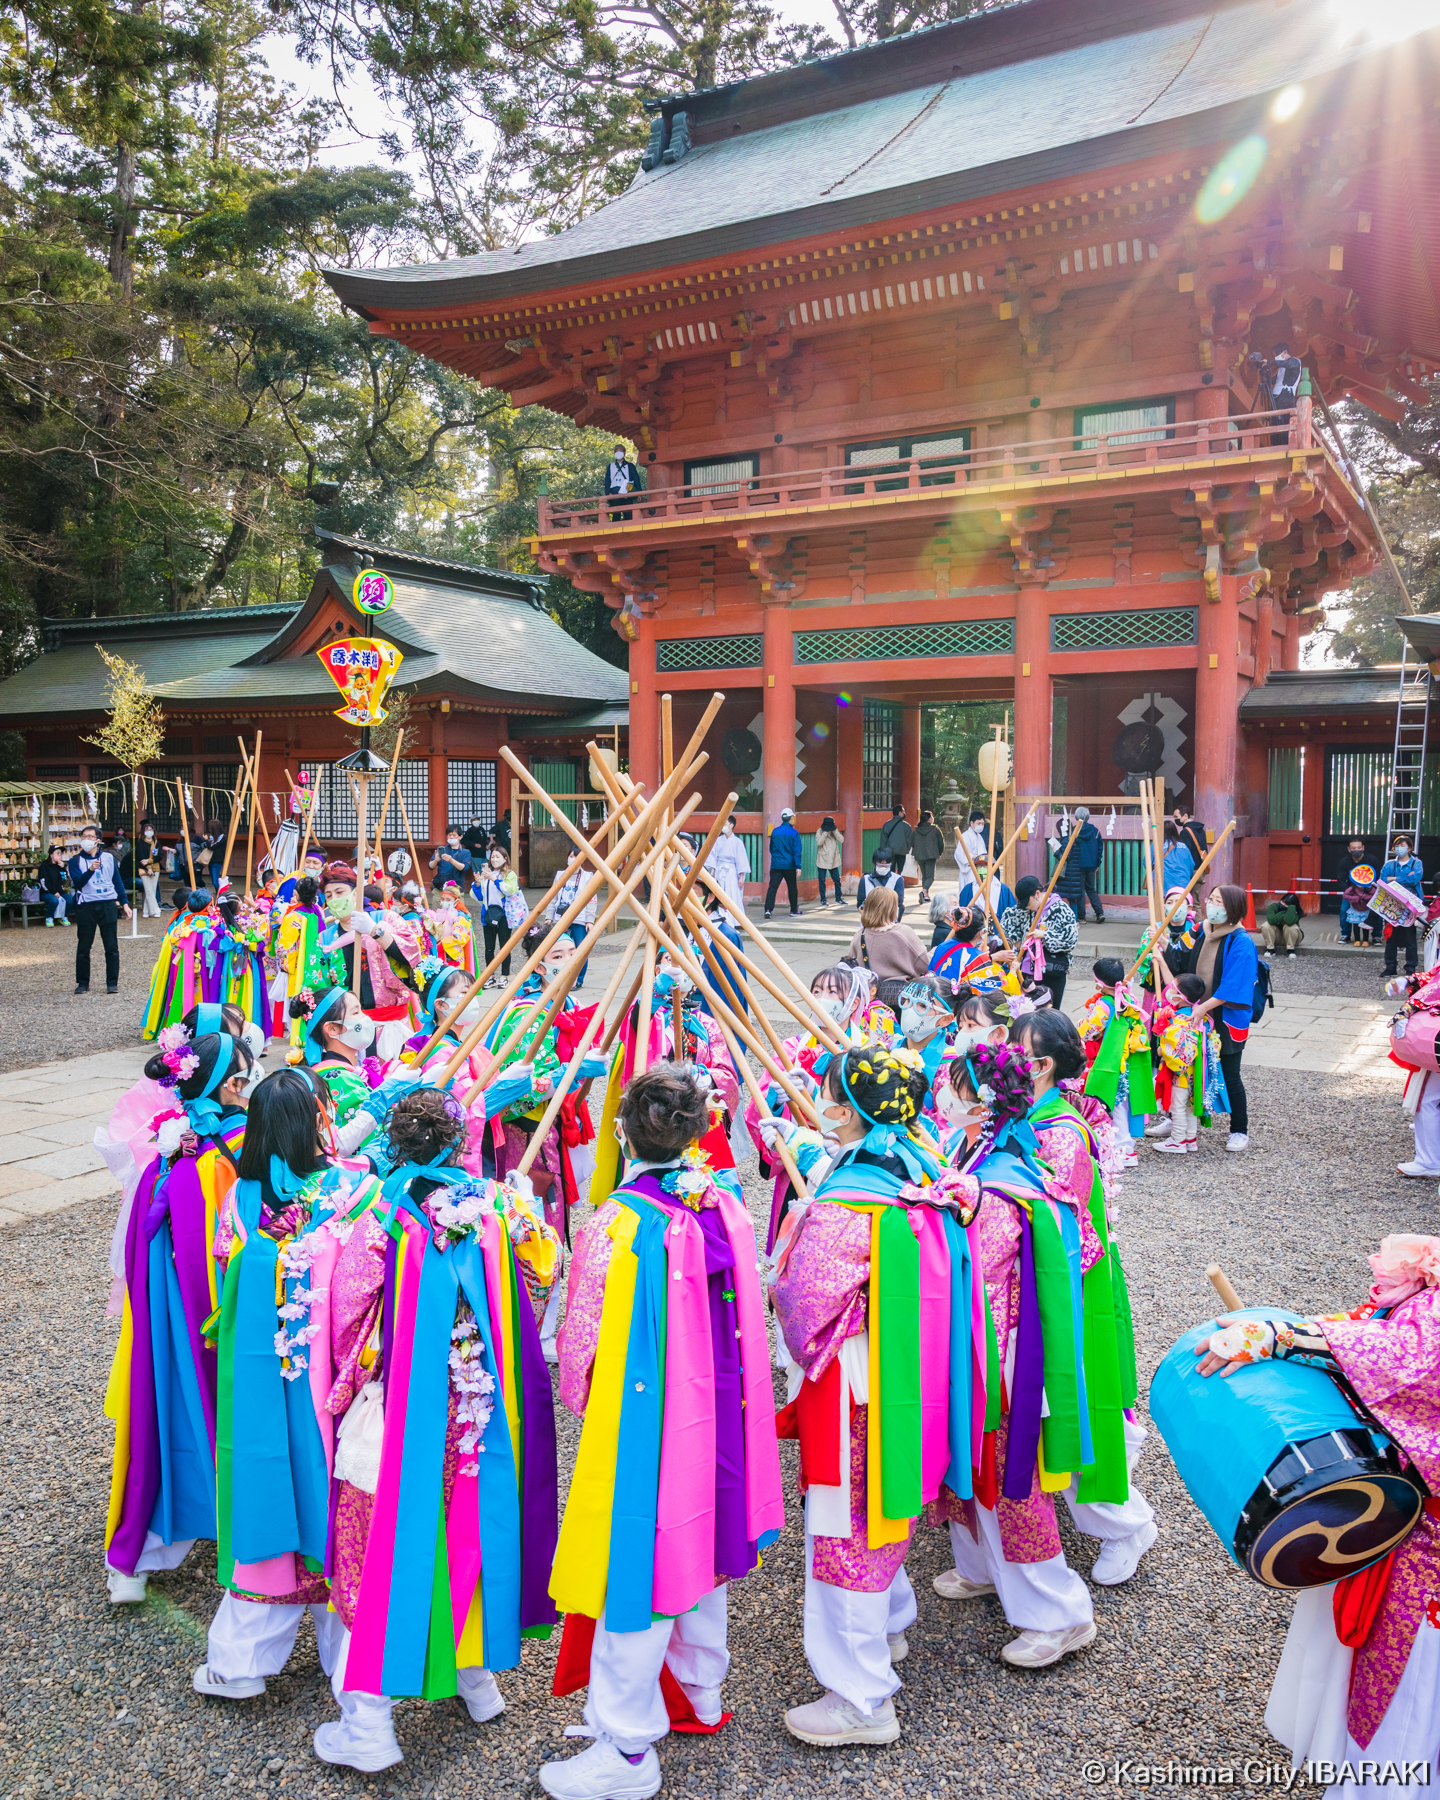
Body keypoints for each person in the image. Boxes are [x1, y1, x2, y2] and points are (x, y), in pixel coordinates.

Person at [541, 1062, 781, 1799]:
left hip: (644, 1418)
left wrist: (583, 1396)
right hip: (718, 1405)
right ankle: (698, 1689)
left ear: (623, 1133)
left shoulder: (618, 1222)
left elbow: (579, 1338)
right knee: (698, 1542)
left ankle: (627, 1744)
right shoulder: (721, 1202)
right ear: (699, 1129)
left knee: (634, 1567)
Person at [314, 1088, 561, 1773]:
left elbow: (347, 1314)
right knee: (473, 1534)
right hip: (483, 1405)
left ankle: (369, 1721)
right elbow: (544, 1273)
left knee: (380, 1545)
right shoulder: (497, 1207)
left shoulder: (376, 1215)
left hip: (402, 1414)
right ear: (460, 1143)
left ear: (394, 1145)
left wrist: (352, 1375)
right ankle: (476, 1678)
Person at [771, 1044, 967, 1746]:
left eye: (829, 1093)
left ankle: (861, 1697)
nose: (822, 1103)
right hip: (908, 1374)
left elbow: (803, 1300)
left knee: (844, 1528)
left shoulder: (848, 1198)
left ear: (852, 1110)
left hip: (854, 1382)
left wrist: (778, 1279)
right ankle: (885, 1629)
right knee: (881, 1510)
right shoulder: (919, 1171)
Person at [1194, 1233, 1440, 1783]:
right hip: (1411, 1521)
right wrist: (1296, 1336)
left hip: (1429, 1556)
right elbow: (1379, 1335)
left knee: (1414, 1691)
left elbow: (1409, 1362)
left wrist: (1282, 1336)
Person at [926, 1043, 1099, 1669]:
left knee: (1013, 1483)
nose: (943, 1097)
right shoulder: (989, 1152)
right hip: (979, 1346)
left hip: (1003, 1361)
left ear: (981, 1101)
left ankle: (1058, 1613)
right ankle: (980, 1568)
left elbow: (973, 1261)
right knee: (973, 1471)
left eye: (954, 1088)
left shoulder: (1002, 1182)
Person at [104, 1029, 258, 1604]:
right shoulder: (235, 1148)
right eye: (248, 1074)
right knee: (226, 1404)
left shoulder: (169, 1150)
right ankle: (250, 1539)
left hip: (164, 1308)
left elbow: (137, 1248)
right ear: (233, 1085)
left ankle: (141, 1550)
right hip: (219, 1302)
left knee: (163, 1403)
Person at [1009, 1009, 1155, 1583]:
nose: (999, 1053)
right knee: (1050, 1417)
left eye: (1012, 1046)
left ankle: (1126, 1524)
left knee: (1074, 1416)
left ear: (1042, 1066)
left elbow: (1056, 1228)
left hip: (1068, 1288)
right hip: (1039, 1286)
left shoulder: (1059, 1132)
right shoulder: (1030, 1116)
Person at [1161, 882, 1257, 1153]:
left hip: (1224, 1018)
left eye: (1220, 902)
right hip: (1192, 1012)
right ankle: (1176, 1121)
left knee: (1230, 1073)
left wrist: (1203, 1008)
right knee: (1183, 1067)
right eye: (1212, 899)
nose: (1212, 905)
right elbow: (1179, 956)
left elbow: (1234, 986)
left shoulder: (1241, 941)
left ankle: (1239, 1129)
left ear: (1234, 909)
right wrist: (1161, 943)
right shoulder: (1199, 929)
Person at [1151, 973, 1227, 1155]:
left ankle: (1177, 1141)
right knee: (1190, 1107)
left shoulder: (1180, 1020)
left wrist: (1161, 1049)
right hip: (1198, 1073)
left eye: (1173, 989)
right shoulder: (1203, 1017)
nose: (1169, 991)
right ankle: (1190, 1139)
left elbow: (1171, 1048)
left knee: (1177, 1108)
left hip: (1181, 1073)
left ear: (1179, 997)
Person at [68, 822, 132, 994]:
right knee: (84, 947)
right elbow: (79, 883)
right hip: (86, 906)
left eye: (90, 837)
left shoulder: (109, 858)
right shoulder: (75, 861)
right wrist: (90, 870)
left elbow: (117, 881)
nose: (86, 840)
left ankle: (112, 982)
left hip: (108, 904)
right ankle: (82, 983)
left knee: (111, 946)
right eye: (84, 837)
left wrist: (124, 903)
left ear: (98, 840)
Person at [1000, 875, 1078, 1011]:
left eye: (1028, 903)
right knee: (1026, 1010)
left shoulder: (1060, 909)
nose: (1027, 907)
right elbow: (1007, 919)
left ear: (1037, 894)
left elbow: (1070, 940)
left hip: (1051, 970)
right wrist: (1018, 943)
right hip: (1026, 970)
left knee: (1049, 1011)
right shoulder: (1025, 910)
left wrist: (1045, 935)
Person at [846, 885, 929, 984]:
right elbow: (924, 964)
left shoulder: (859, 935)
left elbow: (851, 965)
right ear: (892, 908)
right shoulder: (903, 932)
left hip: (868, 994)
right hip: (897, 994)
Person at [473, 846, 528, 984]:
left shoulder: (510, 875)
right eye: (492, 856)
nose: (494, 859)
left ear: (505, 859)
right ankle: (489, 976)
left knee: (505, 947)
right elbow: (480, 897)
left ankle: (504, 975)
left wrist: (494, 879)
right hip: (488, 914)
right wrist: (478, 884)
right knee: (489, 948)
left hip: (504, 915)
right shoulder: (486, 874)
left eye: (498, 856)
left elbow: (509, 890)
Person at [546, 846, 598, 989]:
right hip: (561, 917)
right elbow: (553, 895)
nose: (572, 858)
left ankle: (578, 979)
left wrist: (589, 920)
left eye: (575, 856)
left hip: (579, 918)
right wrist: (549, 916)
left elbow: (592, 899)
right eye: (570, 855)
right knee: (558, 948)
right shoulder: (560, 874)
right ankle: (559, 977)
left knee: (580, 949)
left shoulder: (588, 876)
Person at [1381, 835, 1424, 978]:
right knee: (1391, 938)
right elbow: (1383, 881)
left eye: (1403, 846)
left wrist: (1395, 879)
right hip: (1392, 905)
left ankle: (1411, 968)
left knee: (1410, 938)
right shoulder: (1389, 865)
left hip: (1410, 906)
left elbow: (1414, 879)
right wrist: (1403, 879)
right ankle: (1390, 966)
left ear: (1410, 848)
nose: (1400, 849)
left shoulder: (1416, 864)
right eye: (1397, 846)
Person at [764, 806, 803, 918]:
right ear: (791, 819)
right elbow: (797, 851)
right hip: (789, 865)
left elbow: (771, 848)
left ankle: (768, 909)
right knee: (792, 888)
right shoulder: (794, 833)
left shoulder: (775, 832)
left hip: (776, 865)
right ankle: (793, 910)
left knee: (772, 887)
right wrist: (798, 866)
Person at [1067, 806, 1104, 922]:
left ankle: (1081, 918)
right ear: (1088, 817)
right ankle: (1100, 913)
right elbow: (1100, 849)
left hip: (1077, 866)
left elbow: (1069, 849)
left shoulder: (1073, 832)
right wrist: (1097, 863)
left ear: (1076, 817)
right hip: (1092, 865)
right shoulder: (1095, 831)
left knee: (1080, 891)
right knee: (1091, 889)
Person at [956, 855, 1016, 923]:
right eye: (979, 866)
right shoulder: (967, 889)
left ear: (993, 867)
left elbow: (1012, 913)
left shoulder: (1004, 890)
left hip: (998, 928)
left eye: (985, 865)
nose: (982, 868)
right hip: (975, 928)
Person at [1340, 842, 1375, 946]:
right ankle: (1345, 934)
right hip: (1352, 892)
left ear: (1363, 848)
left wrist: (1368, 891)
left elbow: (1377, 877)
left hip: (1369, 892)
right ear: (1349, 849)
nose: (1356, 850)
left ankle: (1376, 935)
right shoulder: (1344, 861)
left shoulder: (1371, 860)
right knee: (1343, 911)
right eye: (1354, 848)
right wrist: (1352, 892)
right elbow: (1340, 879)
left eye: (1359, 847)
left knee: (1376, 912)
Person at [856, 849, 906, 917]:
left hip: (890, 921)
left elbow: (898, 902)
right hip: (870, 921)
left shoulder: (897, 879)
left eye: (886, 865)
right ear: (875, 863)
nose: (883, 867)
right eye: (880, 864)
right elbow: (860, 902)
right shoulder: (865, 879)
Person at [428, 825, 473, 900]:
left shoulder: (465, 852)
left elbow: (465, 867)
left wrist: (451, 860)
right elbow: (430, 866)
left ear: (460, 837)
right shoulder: (442, 850)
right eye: (449, 835)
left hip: (456, 890)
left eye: (454, 835)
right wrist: (436, 860)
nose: (451, 837)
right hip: (440, 890)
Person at [910, 808, 943, 901]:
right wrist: (939, 853)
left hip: (919, 855)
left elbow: (911, 842)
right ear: (929, 819)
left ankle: (926, 895)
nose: (933, 818)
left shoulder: (916, 830)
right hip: (931, 855)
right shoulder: (935, 829)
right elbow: (941, 843)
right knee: (930, 877)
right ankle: (924, 891)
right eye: (932, 816)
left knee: (924, 875)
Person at [1262, 891, 1304, 957]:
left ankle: (1290, 950)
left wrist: (1291, 909)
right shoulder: (1273, 907)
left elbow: (1289, 921)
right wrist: (1284, 913)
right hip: (1277, 936)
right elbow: (1271, 920)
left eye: (1287, 904)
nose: (1283, 904)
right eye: (1282, 901)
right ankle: (1270, 949)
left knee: (1290, 926)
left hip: (1293, 938)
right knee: (1266, 925)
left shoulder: (1294, 910)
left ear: (1292, 906)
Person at [136, 823, 164, 918]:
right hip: (144, 869)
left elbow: (159, 856)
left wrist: (149, 861)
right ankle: (155, 909)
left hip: (155, 868)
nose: (149, 831)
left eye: (151, 829)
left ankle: (146, 911)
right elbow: (140, 856)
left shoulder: (156, 842)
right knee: (148, 890)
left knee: (152, 889)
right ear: (144, 831)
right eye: (147, 829)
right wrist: (148, 868)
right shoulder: (140, 842)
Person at [815, 815, 844, 906]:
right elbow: (819, 843)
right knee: (822, 880)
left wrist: (835, 831)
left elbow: (841, 840)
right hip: (822, 859)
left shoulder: (834, 831)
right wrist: (824, 833)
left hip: (834, 860)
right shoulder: (819, 831)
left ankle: (838, 898)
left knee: (837, 880)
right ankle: (823, 899)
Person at [39, 842, 69, 925]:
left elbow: (65, 879)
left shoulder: (60, 866)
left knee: (71, 900)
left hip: (60, 890)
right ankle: (49, 917)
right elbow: (43, 881)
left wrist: (63, 868)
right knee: (54, 901)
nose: (59, 855)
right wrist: (53, 892)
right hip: (46, 892)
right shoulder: (44, 865)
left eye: (60, 853)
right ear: (51, 855)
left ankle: (64, 916)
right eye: (57, 853)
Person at [876, 803, 912, 871]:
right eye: (903, 811)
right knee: (901, 870)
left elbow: (883, 840)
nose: (904, 813)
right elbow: (909, 841)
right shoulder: (906, 826)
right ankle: (899, 881)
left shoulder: (887, 824)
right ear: (899, 813)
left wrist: (883, 851)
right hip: (902, 852)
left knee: (890, 870)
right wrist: (908, 851)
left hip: (889, 852)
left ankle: (891, 881)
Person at [1161, 822, 1196, 892]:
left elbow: (1147, 863)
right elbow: (1191, 865)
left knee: (1166, 902)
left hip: (1164, 885)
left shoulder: (1157, 847)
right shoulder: (1184, 847)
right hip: (1182, 884)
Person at [1170, 806, 1207, 871]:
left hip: (1191, 869)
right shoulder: (1201, 830)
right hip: (1201, 868)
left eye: (1176, 817)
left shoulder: (1185, 832)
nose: (1175, 819)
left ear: (1185, 816)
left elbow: (1185, 853)